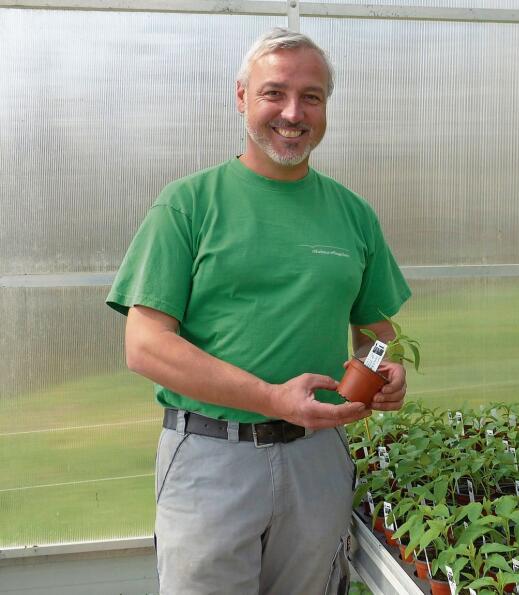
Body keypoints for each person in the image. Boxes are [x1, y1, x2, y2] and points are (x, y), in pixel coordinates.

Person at [106, 28, 411, 595]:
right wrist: (270, 398)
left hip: (316, 460)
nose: (293, 113)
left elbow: (377, 332)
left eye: (312, 97)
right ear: (242, 96)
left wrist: (383, 372)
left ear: (325, 107)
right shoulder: (189, 205)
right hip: (210, 458)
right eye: (275, 93)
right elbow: (145, 345)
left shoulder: (353, 215)